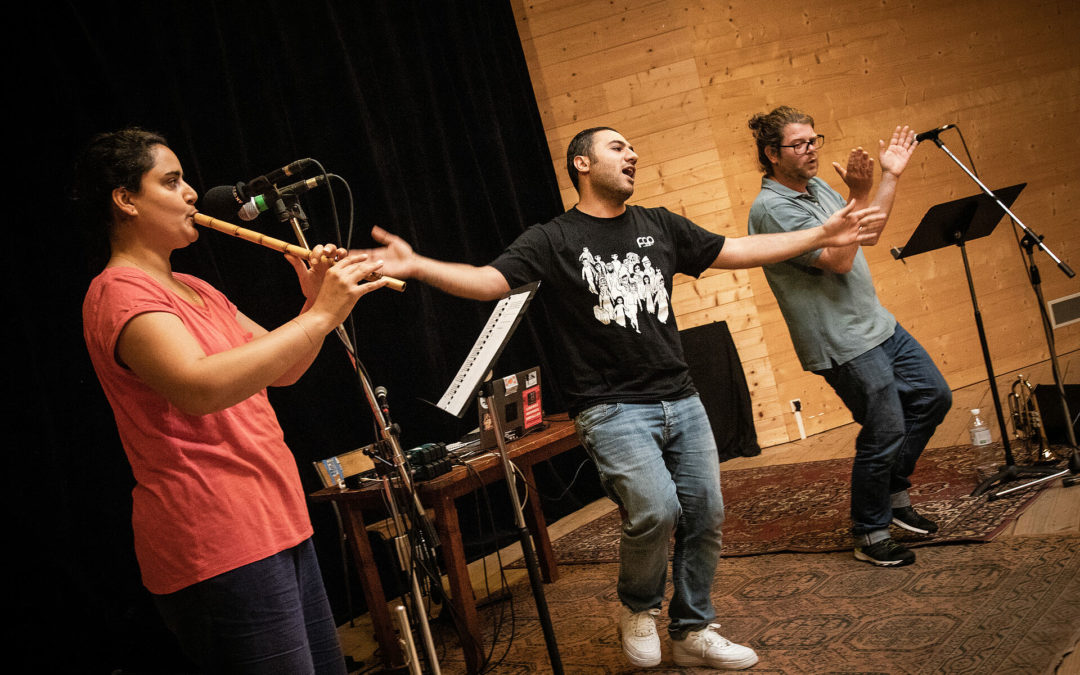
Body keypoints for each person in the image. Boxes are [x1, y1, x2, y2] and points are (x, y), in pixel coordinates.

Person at [353, 126, 883, 670]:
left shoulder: (658, 224)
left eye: (632, 148)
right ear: (582, 164)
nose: (632, 154)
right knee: (655, 509)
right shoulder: (552, 239)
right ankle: (637, 607)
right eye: (617, 147)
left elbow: (741, 249)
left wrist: (822, 230)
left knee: (705, 514)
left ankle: (692, 629)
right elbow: (489, 281)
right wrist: (415, 265)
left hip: (680, 395)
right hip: (609, 408)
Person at [75, 127, 387, 673]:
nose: (192, 193)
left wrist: (316, 300)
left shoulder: (200, 289)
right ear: (125, 200)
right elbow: (199, 388)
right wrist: (319, 316)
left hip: (276, 517)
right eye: (171, 182)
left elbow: (284, 369)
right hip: (214, 539)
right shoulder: (119, 292)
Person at [746, 106, 953, 568]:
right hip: (840, 340)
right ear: (772, 154)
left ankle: (893, 493)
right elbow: (839, 259)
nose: (811, 150)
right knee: (885, 429)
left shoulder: (816, 186)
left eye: (814, 140)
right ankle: (870, 530)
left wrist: (889, 177)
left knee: (933, 397)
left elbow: (869, 233)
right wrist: (859, 193)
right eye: (799, 145)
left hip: (876, 324)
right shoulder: (772, 209)